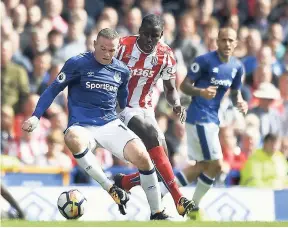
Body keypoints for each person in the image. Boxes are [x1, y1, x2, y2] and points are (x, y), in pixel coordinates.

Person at [22, 28, 168, 220]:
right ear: (94, 45)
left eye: (112, 50)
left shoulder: (122, 71)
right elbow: (52, 89)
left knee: (143, 156)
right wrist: (36, 116)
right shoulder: (77, 63)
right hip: (82, 125)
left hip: (109, 123)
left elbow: (123, 102)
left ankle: (157, 213)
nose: (107, 54)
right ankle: (111, 187)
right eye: (103, 48)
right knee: (71, 137)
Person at [113, 14, 194, 216]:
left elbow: (169, 89)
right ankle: (178, 198)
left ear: (162, 35)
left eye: (154, 36)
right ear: (139, 31)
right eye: (146, 34)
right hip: (121, 107)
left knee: (161, 167)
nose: (149, 40)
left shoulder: (166, 56)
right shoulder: (122, 46)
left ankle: (124, 182)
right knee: (150, 136)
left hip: (145, 108)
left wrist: (176, 104)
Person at [167, 27, 248, 219]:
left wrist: (240, 102)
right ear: (217, 41)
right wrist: (200, 92)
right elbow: (184, 86)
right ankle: (192, 207)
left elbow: (235, 93)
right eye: (223, 40)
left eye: (231, 40)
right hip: (199, 117)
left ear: (236, 43)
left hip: (212, 119)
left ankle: (165, 192)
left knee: (203, 166)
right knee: (216, 164)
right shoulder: (204, 61)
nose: (227, 44)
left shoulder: (237, 67)